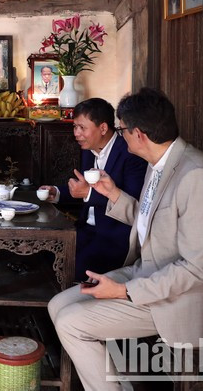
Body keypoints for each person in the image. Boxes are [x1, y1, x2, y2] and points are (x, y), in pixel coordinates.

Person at [47, 88, 203, 390]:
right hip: (150, 273)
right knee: (58, 305)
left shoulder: (198, 177)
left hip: (186, 297)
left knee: (71, 323)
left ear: (139, 134)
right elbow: (150, 220)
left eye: (122, 130)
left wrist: (124, 290)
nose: (120, 137)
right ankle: (115, 382)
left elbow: (197, 269)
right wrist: (113, 194)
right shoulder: (159, 165)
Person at [39, 98, 146, 281]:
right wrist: (57, 193)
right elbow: (83, 189)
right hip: (86, 229)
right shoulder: (89, 149)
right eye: (75, 127)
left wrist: (88, 193)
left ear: (103, 128)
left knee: (72, 268)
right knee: (47, 252)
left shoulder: (130, 153)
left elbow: (132, 203)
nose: (76, 133)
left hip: (114, 237)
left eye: (82, 128)